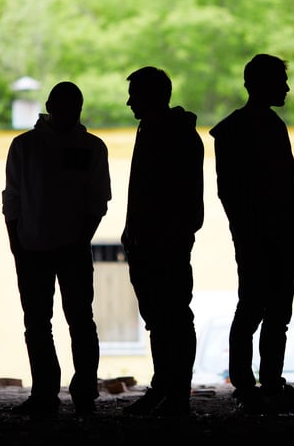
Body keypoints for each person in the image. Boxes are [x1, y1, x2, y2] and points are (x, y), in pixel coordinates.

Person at [209, 54, 294, 414]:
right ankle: (260, 383)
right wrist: (282, 236)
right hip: (266, 239)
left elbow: (246, 193)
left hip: (266, 238)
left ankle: (254, 384)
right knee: (266, 313)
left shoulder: (239, 129)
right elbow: (257, 192)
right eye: (280, 82)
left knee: (260, 311)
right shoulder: (262, 127)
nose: (286, 88)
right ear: (262, 84)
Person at [2, 81, 112, 417]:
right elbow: (98, 201)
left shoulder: (25, 147)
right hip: (64, 248)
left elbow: (13, 202)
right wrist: (80, 238)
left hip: (35, 246)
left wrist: (17, 245)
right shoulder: (91, 148)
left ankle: (48, 393)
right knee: (78, 321)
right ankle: (81, 390)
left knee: (41, 323)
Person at [120, 66, 204, 417]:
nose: (128, 103)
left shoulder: (167, 135)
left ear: (151, 97)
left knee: (171, 317)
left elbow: (166, 196)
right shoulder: (165, 131)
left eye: (134, 95)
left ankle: (173, 393)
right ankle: (168, 389)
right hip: (155, 240)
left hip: (162, 241)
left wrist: (145, 233)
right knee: (164, 317)